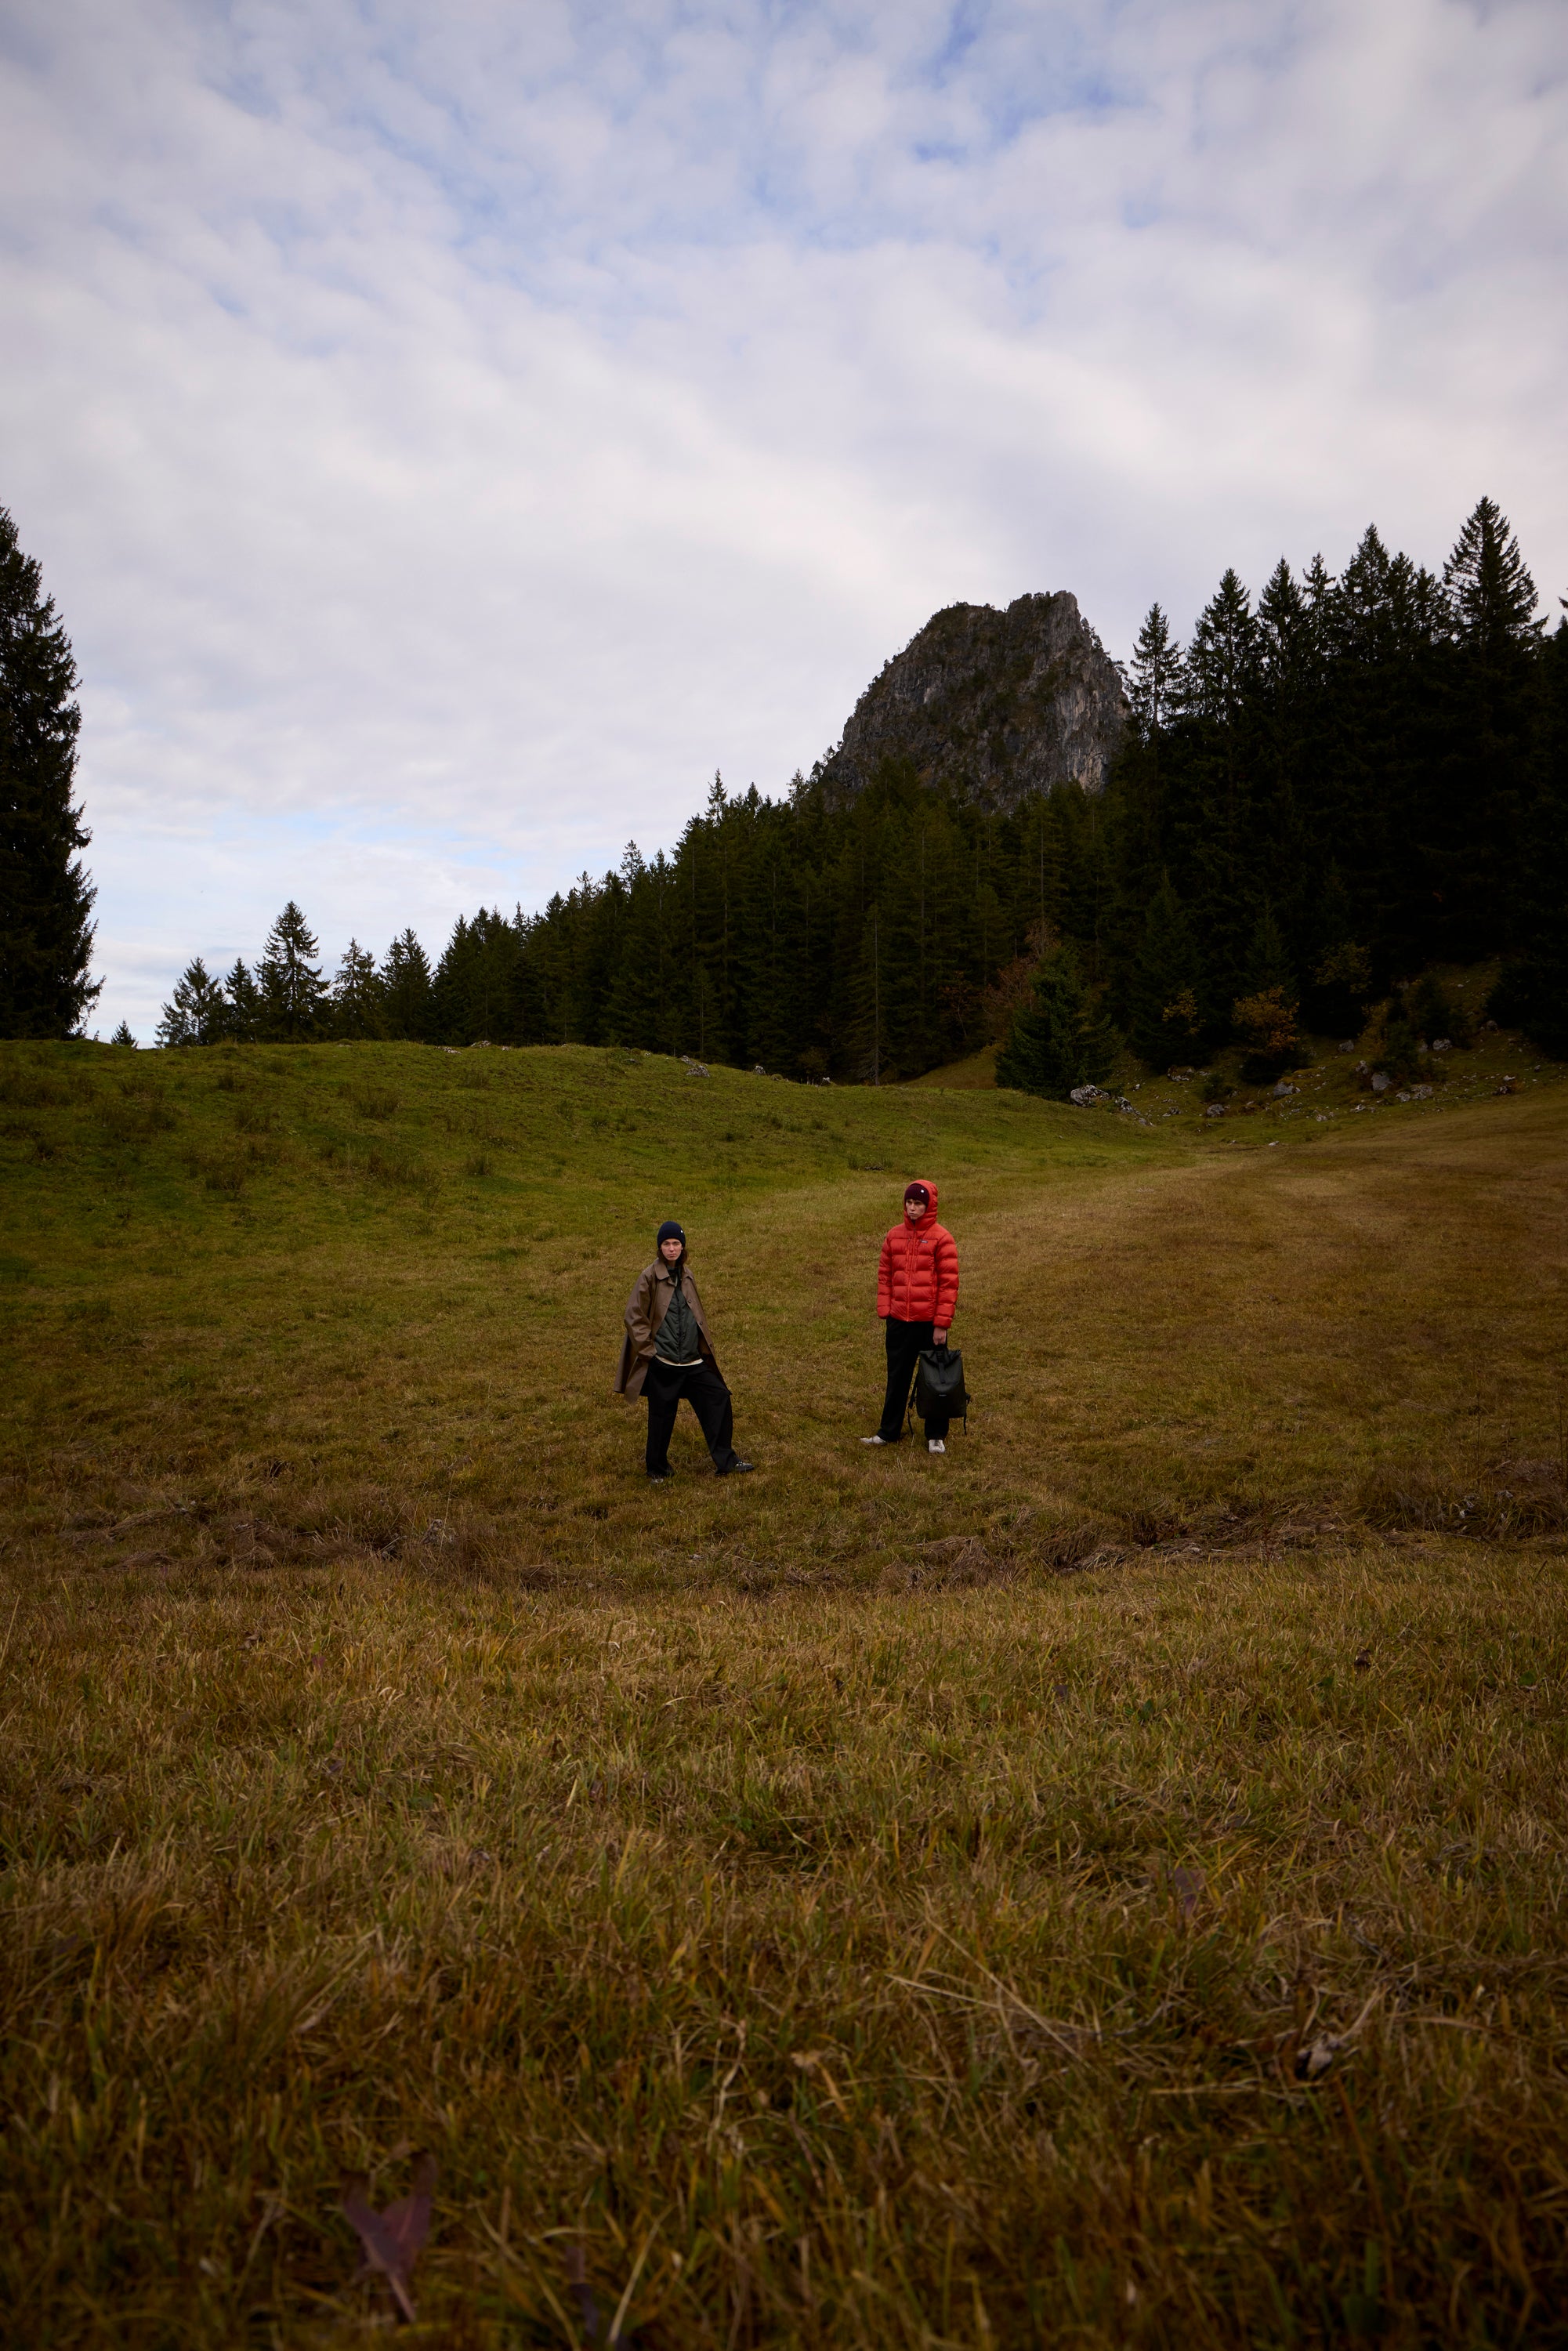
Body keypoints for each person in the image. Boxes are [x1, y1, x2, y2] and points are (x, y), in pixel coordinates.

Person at [617, 1220, 755, 1480]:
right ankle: (657, 1470)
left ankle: (726, 1461)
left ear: (683, 1247)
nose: (671, 1248)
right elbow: (634, 1317)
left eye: (676, 1244)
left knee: (719, 1397)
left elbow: (695, 1315)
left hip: (693, 1362)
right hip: (664, 1361)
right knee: (661, 1416)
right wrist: (650, 1353)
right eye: (666, 1244)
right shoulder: (649, 1277)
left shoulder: (688, 1275)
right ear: (660, 1247)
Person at [863, 1179, 959, 1454]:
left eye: (918, 1203)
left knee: (936, 1379)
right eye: (909, 1202)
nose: (913, 1208)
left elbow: (948, 1285)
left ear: (929, 1206)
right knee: (897, 1378)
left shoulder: (942, 1238)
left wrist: (941, 1325)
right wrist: (886, 1311)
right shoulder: (893, 1236)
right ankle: (888, 1431)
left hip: (929, 1324)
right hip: (899, 1323)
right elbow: (885, 1275)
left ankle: (936, 1435)